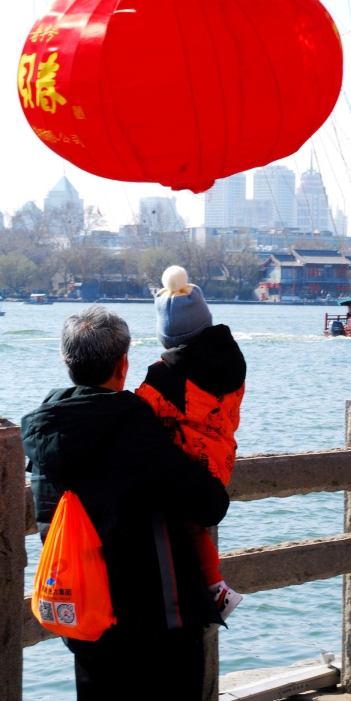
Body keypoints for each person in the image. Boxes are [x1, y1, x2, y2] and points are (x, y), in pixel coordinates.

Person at [21, 307, 229, 701]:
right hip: (159, 618)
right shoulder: (135, 428)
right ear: (123, 365)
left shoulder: (48, 431)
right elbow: (209, 504)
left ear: (68, 363)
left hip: (87, 609)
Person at [136, 266, 246, 622]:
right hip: (223, 458)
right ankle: (214, 587)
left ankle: (216, 589)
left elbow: (142, 410)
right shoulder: (233, 364)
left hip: (192, 466)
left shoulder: (164, 377)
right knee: (195, 527)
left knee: (189, 528)